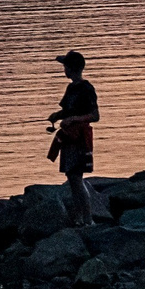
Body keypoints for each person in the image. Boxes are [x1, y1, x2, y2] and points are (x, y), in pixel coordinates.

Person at [47, 50, 100, 223]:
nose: (64, 70)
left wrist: (73, 119)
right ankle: (78, 219)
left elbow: (95, 116)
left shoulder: (87, 89)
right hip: (68, 139)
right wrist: (57, 115)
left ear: (72, 69)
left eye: (66, 67)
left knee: (76, 178)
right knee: (71, 177)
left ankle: (88, 220)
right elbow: (67, 111)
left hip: (80, 139)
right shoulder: (71, 88)